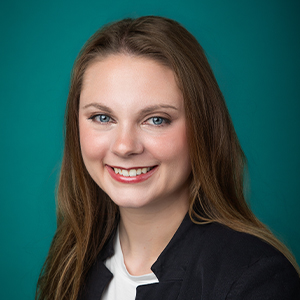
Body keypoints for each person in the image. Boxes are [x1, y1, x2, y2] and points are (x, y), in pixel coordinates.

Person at [36, 16, 300, 300]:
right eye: (102, 117)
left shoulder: (256, 281)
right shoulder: (71, 259)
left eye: (156, 120)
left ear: (202, 128)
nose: (125, 146)